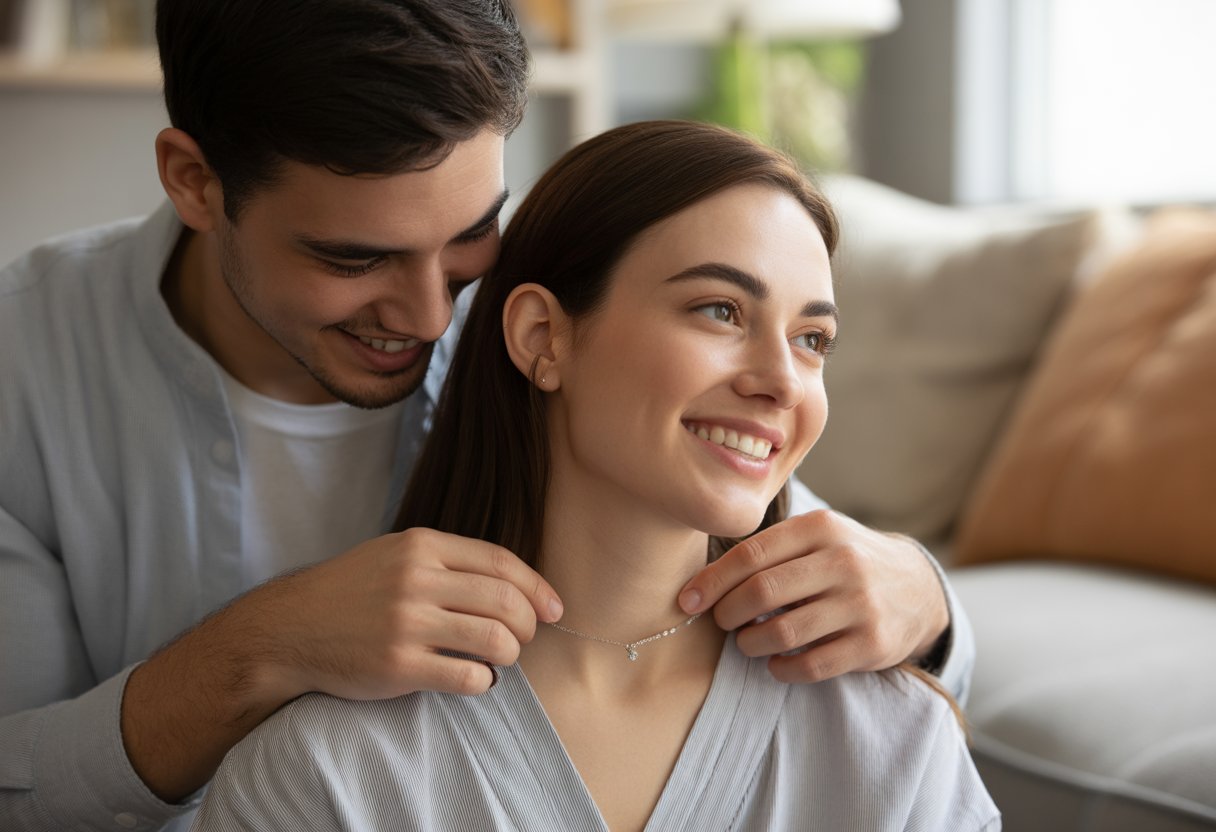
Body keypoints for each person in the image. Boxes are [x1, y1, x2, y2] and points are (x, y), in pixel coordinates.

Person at [0, 3, 972, 831]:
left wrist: (926, 603)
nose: (432, 317)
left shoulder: (529, 320)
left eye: (471, 233)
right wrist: (262, 649)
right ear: (194, 181)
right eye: (352, 258)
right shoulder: (27, 363)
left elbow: (763, 507)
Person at [192, 119, 1000, 832]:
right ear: (544, 335)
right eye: (720, 310)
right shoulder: (324, 774)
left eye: (812, 339)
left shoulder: (896, 744)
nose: (783, 381)